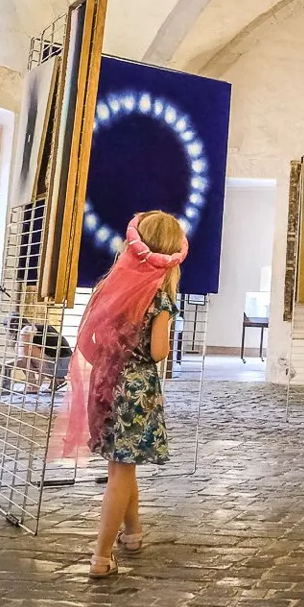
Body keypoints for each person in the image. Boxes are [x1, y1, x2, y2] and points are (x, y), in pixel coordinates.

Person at [56, 210, 186, 578]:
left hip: (106, 384)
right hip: (136, 392)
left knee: (121, 466)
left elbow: (88, 340)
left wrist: (110, 360)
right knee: (122, 472)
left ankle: (133, 532)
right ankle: (101, 555)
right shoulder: (158, 300)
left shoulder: (109, 289)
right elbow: (158, 352)